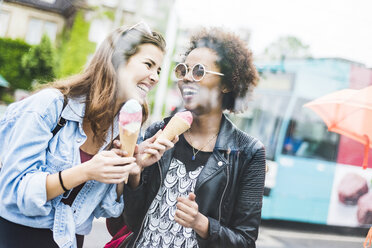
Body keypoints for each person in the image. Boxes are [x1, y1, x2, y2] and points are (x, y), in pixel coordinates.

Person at [0, 22, 169, 248]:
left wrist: (132, 168)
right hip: (16, 236)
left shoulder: (123, 128)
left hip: (70, 241)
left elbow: (106, 208)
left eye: (158, 70)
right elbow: (14, 190)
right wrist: (86, 171)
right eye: (148, 64)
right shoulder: (50, 105)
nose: (155, 77)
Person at [115, 28, 266, 248]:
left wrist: (202, 224)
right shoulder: (159, 132)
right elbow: (133, 221)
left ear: (226, 84)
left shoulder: (248, 152)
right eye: (183, 69)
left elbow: (244, 241)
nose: (186, 77)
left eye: (198, 71)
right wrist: (135, 174)